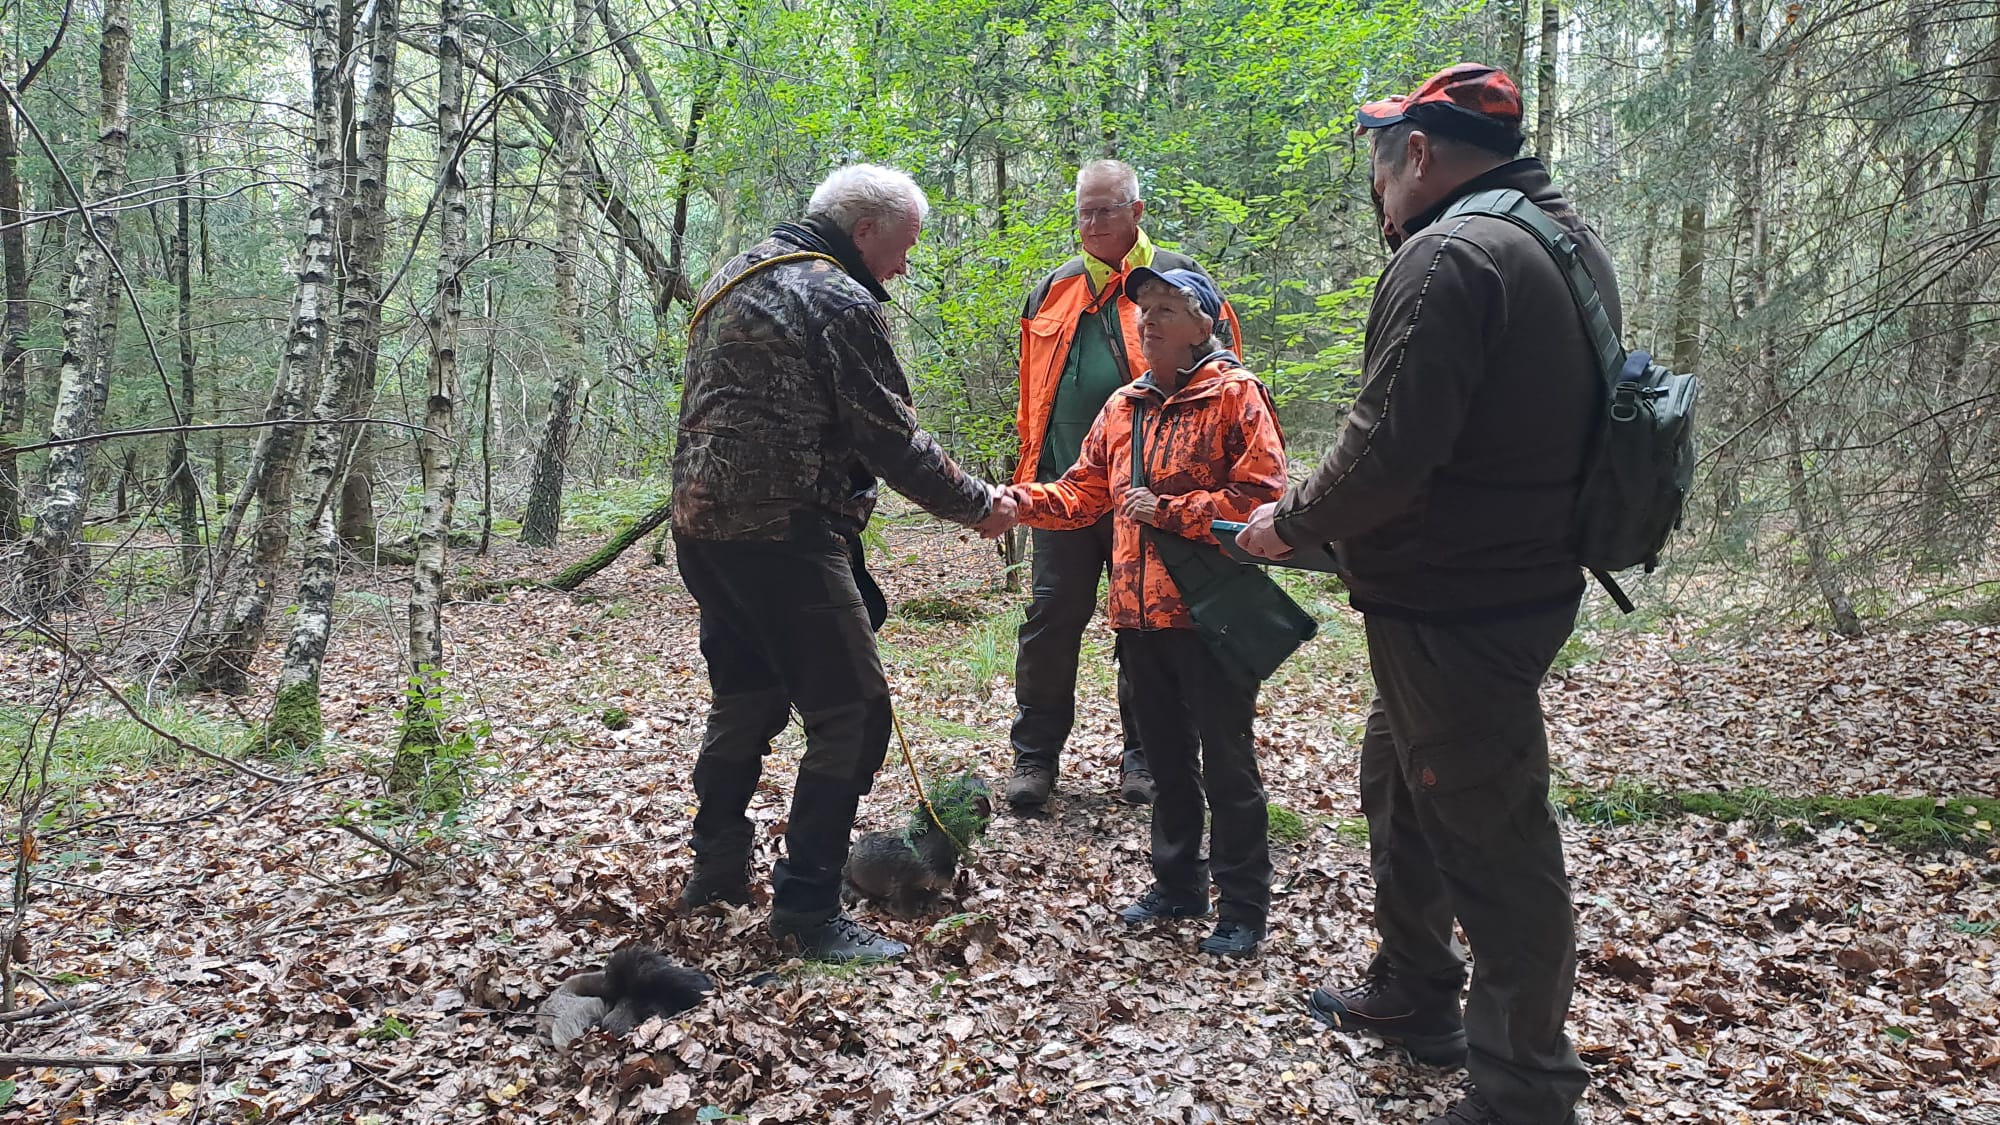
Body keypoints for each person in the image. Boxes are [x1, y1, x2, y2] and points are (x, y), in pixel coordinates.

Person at [1236, 64, 1618, 1125]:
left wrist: (1286, 522)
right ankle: (1414, 989)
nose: (1375, 188)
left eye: (1378, 162)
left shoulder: (1451, 253)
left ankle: (1524, 1087)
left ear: (1415, 153)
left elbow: (1385, 453)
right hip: (1497, 583)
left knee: (1492, 835)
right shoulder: (1558, 238)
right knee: (1400, 782)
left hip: (1460, 603)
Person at [671, 164, 1016, 963]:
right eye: (903, 246)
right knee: (853, 714)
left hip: (704, 534)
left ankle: (715, 875)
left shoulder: (734, 274)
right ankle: (808, 909)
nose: (904, 265)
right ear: (864, 232)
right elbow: (890, 438)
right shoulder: (836, 297)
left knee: (747, 698)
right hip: (784, 538)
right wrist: (979, 504)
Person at [1003, 266, 1287, 958]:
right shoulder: (1124, 406)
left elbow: (1264, 500)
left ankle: (1243, 905)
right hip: (1138, 618)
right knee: (1165, 760)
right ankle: (1178, 883)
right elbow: (1083, 492)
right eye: (1144, 309)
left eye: (1166, 308)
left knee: (1228, 763)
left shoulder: (1236, 395)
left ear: (1204, 324)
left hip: (1209, 617)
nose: (1149, 320)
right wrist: (1015, 503)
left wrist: (1170, 511)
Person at [1005, 159, 1243, 811]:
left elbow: (1225, 381)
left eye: (1105, 210)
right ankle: (1034, 757)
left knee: (1152, 626)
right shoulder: (1053, 289)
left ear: (1137, 211)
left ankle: (1147, 756)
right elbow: (1033, 392)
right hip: (1068, 486)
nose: (1092, 223)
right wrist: (1029, 476)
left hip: (1155, 500)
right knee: (1051, 618)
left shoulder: (1178, 277)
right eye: (1083, 211)